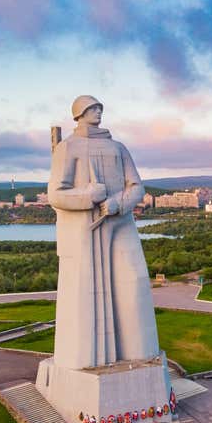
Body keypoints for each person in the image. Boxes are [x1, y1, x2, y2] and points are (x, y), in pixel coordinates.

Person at [48, 95, 159, 369]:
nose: (98, 112)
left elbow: (137, 187)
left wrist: (117, 203)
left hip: (120, 222)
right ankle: (86, 360)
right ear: (79, 113)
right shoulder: (68, 147)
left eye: (99, 108)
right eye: (92, 109)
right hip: (85, 229)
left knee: (134, 281)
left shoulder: (118, 148)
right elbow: (56, 195)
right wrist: (88, 195)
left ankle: (140, 352)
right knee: (86, 292)